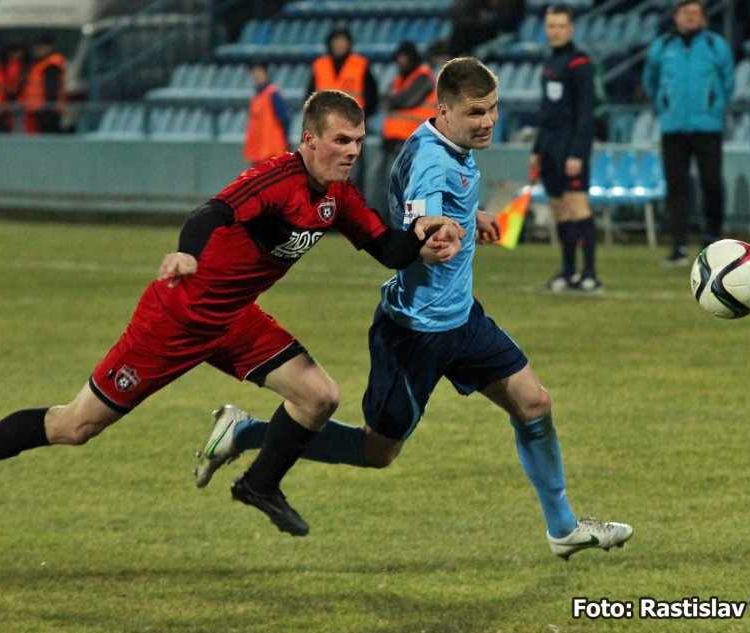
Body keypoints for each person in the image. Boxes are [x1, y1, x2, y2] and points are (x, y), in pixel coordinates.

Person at [0, 90, 465, 534]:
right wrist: (188, 253)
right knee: (74, 427)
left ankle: (260, 484)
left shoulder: (338, 198)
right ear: (310, 140)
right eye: (341, 140)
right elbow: (210, 214)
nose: (353, 151)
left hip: (234, 320)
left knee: (318, 396)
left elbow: (387, 250)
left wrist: (427, 232)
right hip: (176, 320)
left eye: (359, 141)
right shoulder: (276, 180)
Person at [195, 58, 633, 560]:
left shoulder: (442, 143)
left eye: (493, 109)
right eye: (475, 112)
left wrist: (469, 215)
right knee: (377, 451)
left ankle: (563, 528)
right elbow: (424, 217)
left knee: (534, 404)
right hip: (414, 333)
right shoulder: (432, 161)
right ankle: (245, 432)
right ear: (444, 111)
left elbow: (432, 204)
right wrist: (436, 236)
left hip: (461, 320)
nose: (488, 121)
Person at [643, 0, 734, 266]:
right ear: (676, 17)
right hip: (673, 128)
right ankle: (678, 247)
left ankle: (713, 239)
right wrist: (665, 105)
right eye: (685, 13)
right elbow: (650, 80)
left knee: (712, 183)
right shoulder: (662, 46)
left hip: (708, 127)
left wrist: (714, 107)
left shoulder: (716, 45)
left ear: (703, 18)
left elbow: (728, 82)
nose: (690, 17)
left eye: (694, 13)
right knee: (676, 187)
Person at [530, 5, 601, 293]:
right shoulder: (550, 62)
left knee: (577, 206)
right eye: (551, 26)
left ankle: (591, 274)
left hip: (570, 145)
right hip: (549, 146)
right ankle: (569, 271)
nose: (555, 31)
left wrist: (577, 153)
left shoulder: (580, 63)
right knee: (560, 210)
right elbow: (546, 111)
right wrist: (537, 149)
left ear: (571, 28)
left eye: (560, 26)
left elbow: (586, 113)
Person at [307, 25, 378, 192]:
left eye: (342, 41)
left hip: (352, 130)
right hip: (325, 131)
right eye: (336, 41)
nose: (339, 45)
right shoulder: (319, 66)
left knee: (354, 172)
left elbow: (372, 97)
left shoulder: (360, 65)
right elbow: (310, 98)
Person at [377, 40, 437, 208]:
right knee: (390, 188)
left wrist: (392, 100)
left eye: (405, 57)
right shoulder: (399, 79)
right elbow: (385, 99)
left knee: (411, 188)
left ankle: (412, 222)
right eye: (399, 57)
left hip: (414, 143)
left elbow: (407, 100)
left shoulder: (424, 76)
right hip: (393, 142)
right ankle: (392, 222)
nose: (401, 61)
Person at [244, 61, 291, 166]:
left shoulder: (273, 94)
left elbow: (285, 119)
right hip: (259, 153)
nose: (256, 77)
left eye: (259, 73)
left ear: (266, 74)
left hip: (272, 152)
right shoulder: (256, 96)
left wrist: (285, 143)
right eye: (254, 74)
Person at [19, 33, 66, 134]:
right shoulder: (42, 63)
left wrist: (49, 111)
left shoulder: (51, 65)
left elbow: (52, 90)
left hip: (47, 112)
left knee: (48, 138)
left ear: (49, 47)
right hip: (39, 110)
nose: (38, 50)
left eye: (41, 47)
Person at [0, 38, 28, 132]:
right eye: (13, 51)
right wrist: (1, 104)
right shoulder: (3, 67)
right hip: (9, 107)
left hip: (23, 109)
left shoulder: (27, 66)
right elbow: (0, 87)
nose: (15, 55)